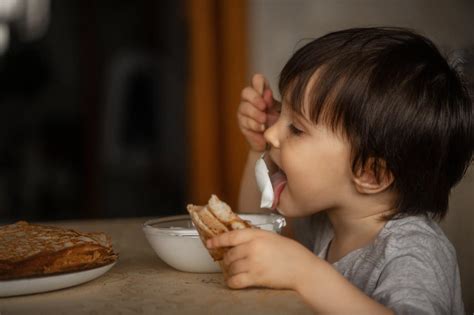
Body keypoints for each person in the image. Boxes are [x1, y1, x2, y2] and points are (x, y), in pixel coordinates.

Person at [206, 27, 473, 314]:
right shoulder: (331, 217)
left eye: (296, 128)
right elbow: (258, 225)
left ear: (371, 174)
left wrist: (306, 274)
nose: (272, 133)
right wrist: (258, 149)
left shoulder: (415, 251)